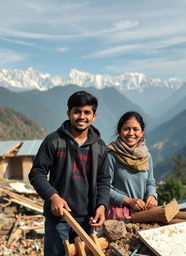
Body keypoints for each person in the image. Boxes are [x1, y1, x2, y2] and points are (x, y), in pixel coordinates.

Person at [29, 91, 110, 256]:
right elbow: (37, 173)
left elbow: (104, 180)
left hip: (87, 220)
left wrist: (102, 205)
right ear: (69, 113)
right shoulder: (53, 141)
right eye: (77, 111)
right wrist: (53, 196)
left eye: (87, 112)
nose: (81, 116)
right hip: (59, 218)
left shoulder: (100, 147)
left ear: (94, 116)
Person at [107, 111, 157, 220]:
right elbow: (105, 188)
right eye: (126, 129)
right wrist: (129, 201)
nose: (131, 133)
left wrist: (152, 196)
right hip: (118, 215)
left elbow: (150, 182)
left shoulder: (146, 156)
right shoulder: (111, 155)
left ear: (142, 132)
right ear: (119, 132)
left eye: (135, 129)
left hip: (143, 213)